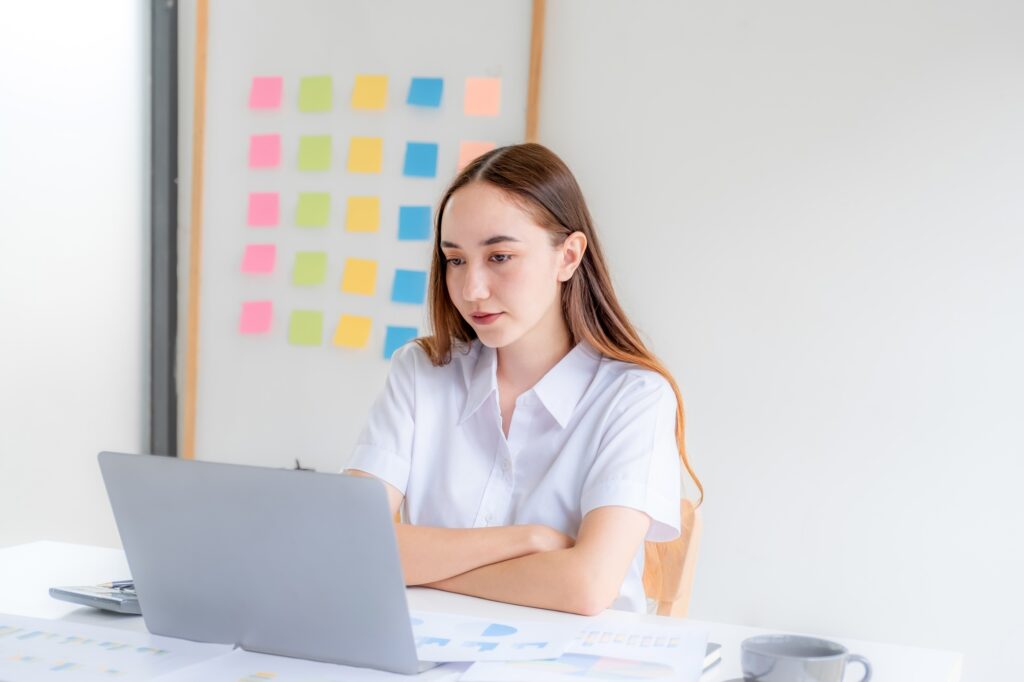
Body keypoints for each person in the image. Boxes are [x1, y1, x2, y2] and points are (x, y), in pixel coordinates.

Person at [345, 143, 701, 615]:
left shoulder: (634, 397)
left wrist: (421, 569)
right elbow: (349, 543)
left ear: (568, 257)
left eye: (500, 257)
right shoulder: (421, 371)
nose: (472, 289)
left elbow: (586, 587)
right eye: (456, 260)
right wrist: (527, 540)